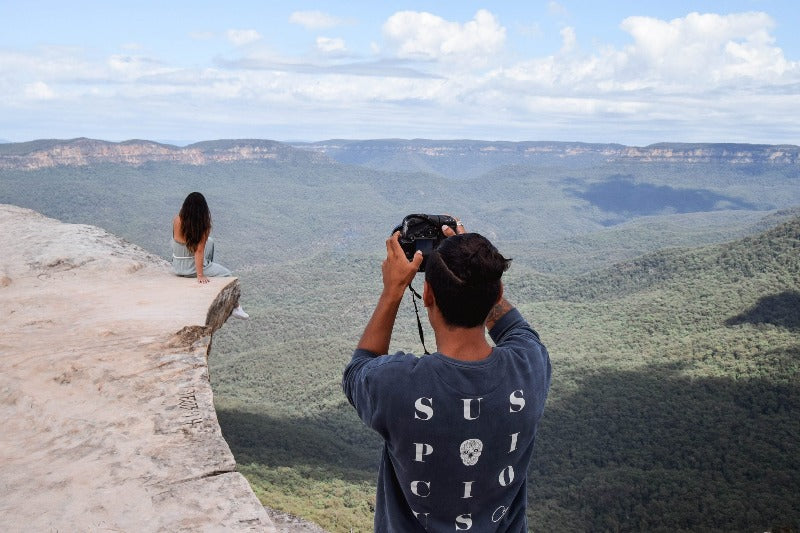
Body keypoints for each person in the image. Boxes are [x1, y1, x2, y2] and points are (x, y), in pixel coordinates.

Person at [342, 219, 551, 532]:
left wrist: (393, 290)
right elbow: (514, 328)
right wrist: (474, 263)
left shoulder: (397, 386)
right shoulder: (530, 367)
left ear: (427, 295)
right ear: (499, 293)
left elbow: (359, 368)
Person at [172, 191, 248, 319]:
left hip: (177, 264)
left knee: (210, 242)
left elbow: (179, 243)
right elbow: (199, 251)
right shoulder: (203, 226)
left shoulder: (177, 219)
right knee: (228, 274)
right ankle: (236, 307)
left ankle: (207, 264)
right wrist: (200, 275)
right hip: (190, 268)